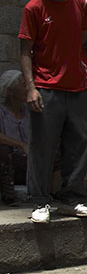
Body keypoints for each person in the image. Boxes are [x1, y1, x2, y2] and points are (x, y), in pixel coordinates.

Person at [18, 0, 87, 223]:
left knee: (80, 143)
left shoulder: (83, 2)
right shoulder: (34, 8)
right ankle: (40, 201)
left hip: (78, 86)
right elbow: (25, 51)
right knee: (42, 146)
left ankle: (71, 198)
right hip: (45, 87)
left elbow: (81, 38)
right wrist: (31, 88)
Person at [0, 70, 29, 206]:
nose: (27, 88)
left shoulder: (30, 110)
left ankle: (53, 191)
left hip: (30, 163)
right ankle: (9, 196)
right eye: (23, 85)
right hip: (10, 164)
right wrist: (21, 144)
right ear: (10, 91)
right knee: (3, 150)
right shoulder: (1, 112)